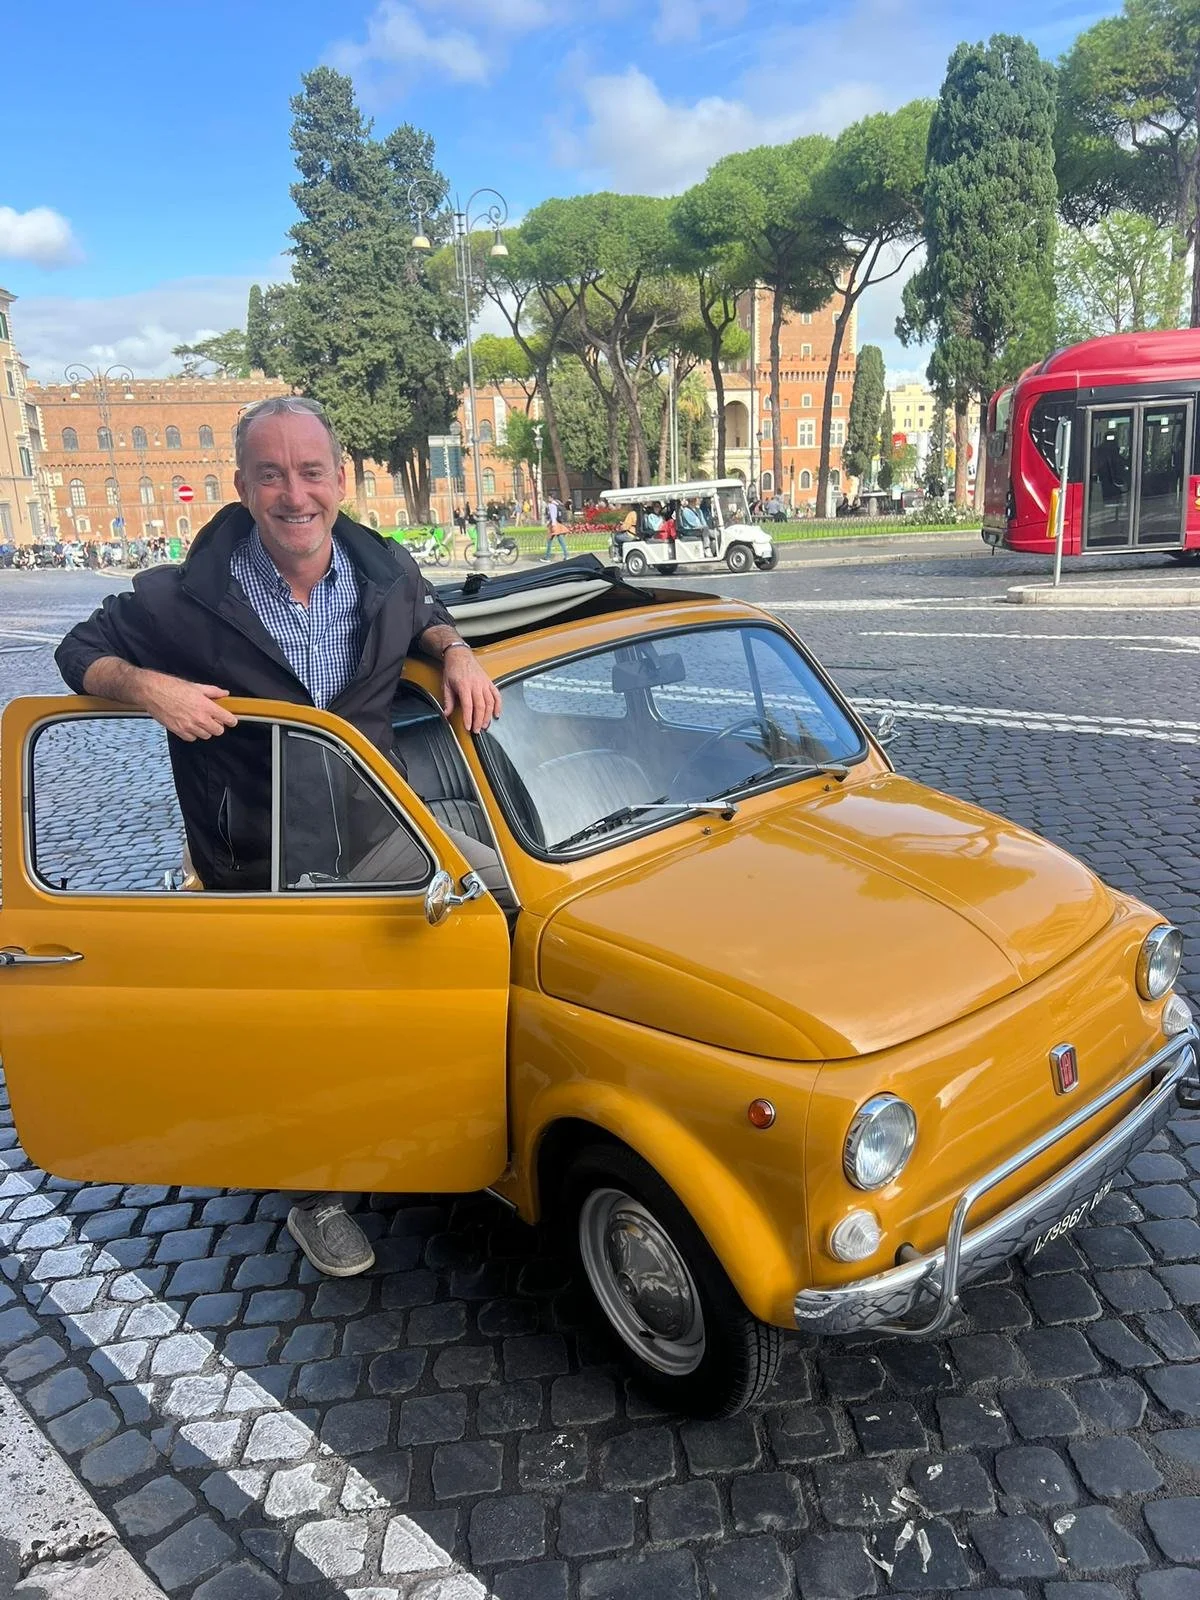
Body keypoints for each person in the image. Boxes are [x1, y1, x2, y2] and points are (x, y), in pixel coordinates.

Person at [54, 395, 503, 1281]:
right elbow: (79, 651)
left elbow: (425, 608)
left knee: (502, 907)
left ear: (341, 480)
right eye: (271, 475)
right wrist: (148, 689)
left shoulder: (382, 571)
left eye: (310, 472)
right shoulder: (178, 601)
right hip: (255, 861)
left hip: (376, 831)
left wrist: (455, 649)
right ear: (242, 487)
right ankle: (312, 1191)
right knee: (301, 1031)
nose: (294, 494)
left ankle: (470, 1110)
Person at [541, 494, 568, 561]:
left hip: (554, 524)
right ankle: (566, 556)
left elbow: (553, 515)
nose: (548, 499)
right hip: (558, 524)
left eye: (549, 497)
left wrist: (552, 525)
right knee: (561, 540)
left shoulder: (551, 505)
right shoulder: (557, 503)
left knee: (549, 541)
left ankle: (547, 557)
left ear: (551, 498)